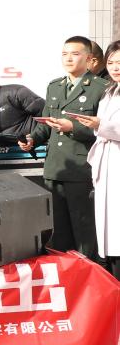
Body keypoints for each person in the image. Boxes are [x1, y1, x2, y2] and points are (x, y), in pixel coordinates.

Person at [20, 36, 106, 261]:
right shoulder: (55, 86)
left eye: (75, 54)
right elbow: (47, 123)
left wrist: (73, 127)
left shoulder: (100, 88)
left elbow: (105, 130)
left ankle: (89, 272)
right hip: (55, 167)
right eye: (65, 54)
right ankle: (64, 272)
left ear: (89, 59)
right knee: (57, 230)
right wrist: (32, 139)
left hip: (81, 168)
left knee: (84, 229)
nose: (68, 58)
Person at [76, 40, 120, 276]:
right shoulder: (109, 92)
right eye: (111, 62)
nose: (115, 67)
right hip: (106, 160)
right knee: (107, 224)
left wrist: (100, 125)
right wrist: (96, 125)